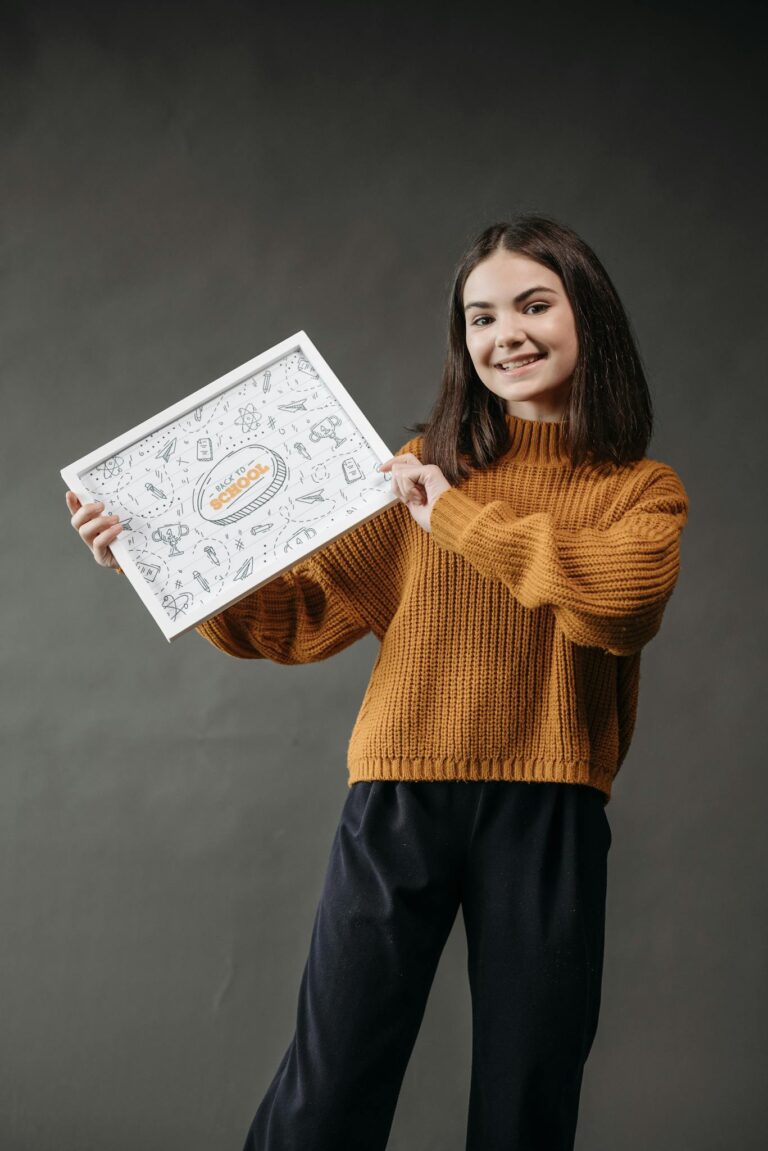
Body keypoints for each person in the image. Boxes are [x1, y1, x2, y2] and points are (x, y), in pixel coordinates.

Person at [65, 214, 690, 1150]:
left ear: (586, 315)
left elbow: (621, 603)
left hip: (551, 805)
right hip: (399, 798)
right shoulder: (413, 471)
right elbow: (297, 619)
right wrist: (160, 560)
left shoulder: (641, 490)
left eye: (533, 305)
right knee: (331, 1083)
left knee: (530, 1091)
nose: (505, 334)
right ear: (463, 339)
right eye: (480, 317)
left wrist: (461, 521)